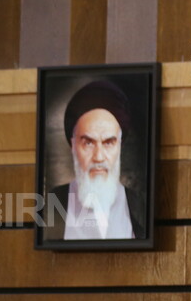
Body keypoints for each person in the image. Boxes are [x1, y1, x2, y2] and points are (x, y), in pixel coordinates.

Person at [43, 79, 147, 241]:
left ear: (119, 146)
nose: (98, 157)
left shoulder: (140, 206)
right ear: (73, 145)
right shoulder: (51, 204)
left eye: (108, 142)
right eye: (88, 143)